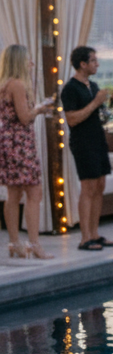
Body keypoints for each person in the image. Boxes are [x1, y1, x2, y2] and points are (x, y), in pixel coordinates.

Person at [0, 43, 53, 259]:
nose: (31, 63)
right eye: (28, 59)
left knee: (13, 194)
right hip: (20, 142)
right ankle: (34, 244)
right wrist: (40, 109)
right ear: (20, 61)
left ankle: (15, 243)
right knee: (34, 192)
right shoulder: (18, 85)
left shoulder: (4, 84)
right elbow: (24, 117)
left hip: (8, 140)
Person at [60, 45, 113, 251]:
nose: (97, 64)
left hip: (98, 138)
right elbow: (72, 119)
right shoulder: (70, 89)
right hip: (83, 141)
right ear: (82, 64)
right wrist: (94, 103)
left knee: (100, 185)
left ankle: (95, 233)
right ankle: (84, 238)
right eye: (93, 61)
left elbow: (106, 117)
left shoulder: (94, 85)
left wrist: (109, 104)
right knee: (88, 187)